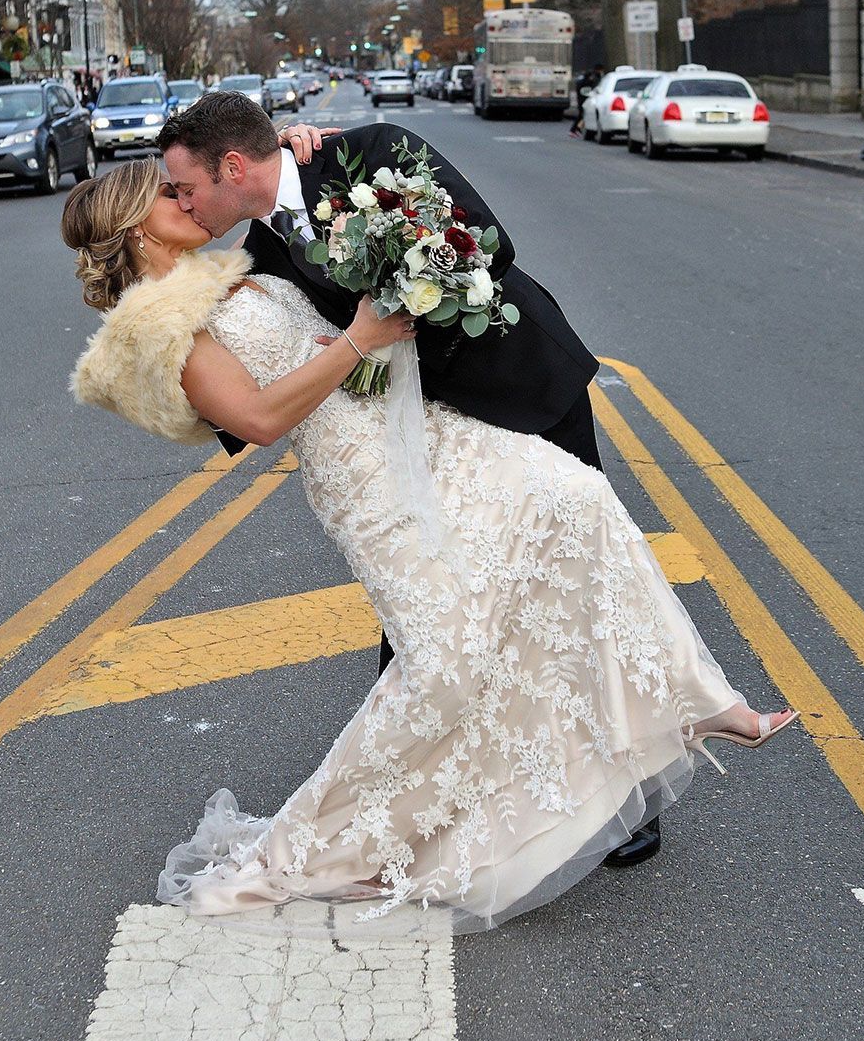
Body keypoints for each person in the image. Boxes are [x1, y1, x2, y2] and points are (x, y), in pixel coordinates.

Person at [62, 157, 797, 935]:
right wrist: (359, 340)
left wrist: (339, 220)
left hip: (430, 437)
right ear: (137, 225)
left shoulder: (230, 272)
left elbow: (275, 197)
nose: (187, 200)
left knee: (577, 499)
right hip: (368, 483)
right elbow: (258, 419)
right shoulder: (157, 323)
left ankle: (701, 705)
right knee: (445, 667)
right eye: (169, 197)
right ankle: (327, 850)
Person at [156, 93, 664, 867]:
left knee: (577, 586)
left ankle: (630, 795)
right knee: (433, 613)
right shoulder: (259, 251)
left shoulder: (375, 150)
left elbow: (488, 251)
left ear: (232, 166)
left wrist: (397, 308)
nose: (184, 203)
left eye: (186, 187)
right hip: (432, 431)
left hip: (527, 386)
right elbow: (274, 358)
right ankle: (423, 796)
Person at [569, 62, 604, 137]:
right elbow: (590, 86)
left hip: (584, 98)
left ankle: (577, 129)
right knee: (582, 115)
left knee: (582, 115)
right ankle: (574, 129)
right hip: (585, 98)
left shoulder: (589, 75)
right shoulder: (592, 77)